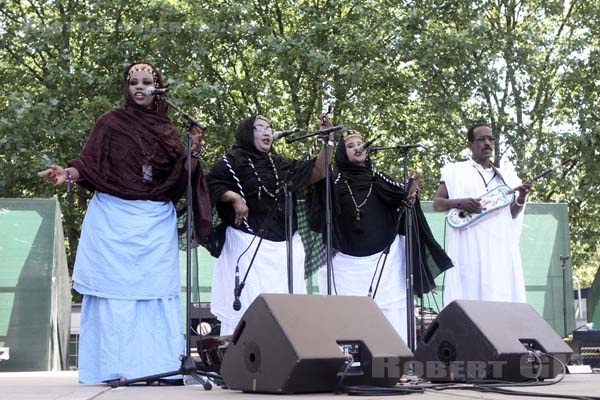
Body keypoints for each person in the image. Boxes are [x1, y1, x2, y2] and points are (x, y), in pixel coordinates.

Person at [38, 62, 212, 384]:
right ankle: (111, 368)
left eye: (148, 82)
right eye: (134, 82)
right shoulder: (110, 123)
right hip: (112, 221)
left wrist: (194, 153)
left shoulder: (170, 131)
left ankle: (159, 368)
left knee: (156, 296)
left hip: (155, 221)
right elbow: (88, 165)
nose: (141, 87)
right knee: (113, 297)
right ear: (127, 88)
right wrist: (67, 174)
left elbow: (179, 179)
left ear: (158, 87)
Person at [311, 130, 453, 342]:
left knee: (391, 310)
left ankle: (395, 362)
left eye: (360, 144)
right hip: (344, 265)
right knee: (347, 314)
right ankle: (351, 364)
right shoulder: (333, 183)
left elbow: (403, 200)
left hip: (385, 263)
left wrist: (411, 192)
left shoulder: (378, 179)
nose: (358, 148)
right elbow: (318, 216)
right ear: (342, 152)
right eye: (351, 145)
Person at [206, 114, 333, 335]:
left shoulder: (279, 164)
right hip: (248, 247)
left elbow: (318, 171)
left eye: (270, 128)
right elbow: (210, 185)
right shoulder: (230, 162)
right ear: (247, 132)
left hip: (284, 251)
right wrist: (234, 198)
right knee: (249, 314)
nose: (267, 132)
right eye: (260, 127)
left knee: (287, 317)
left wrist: (327, 140)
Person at [432, 123, 532, 306]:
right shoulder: (455, 171)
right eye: (481, 139)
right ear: (470, 144)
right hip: (469, 250)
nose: (487, 143)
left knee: (500, 301)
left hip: (498, 251)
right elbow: (437, 204)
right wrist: (461, 203)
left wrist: (522, 196)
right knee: (470, 300)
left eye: (490, 139)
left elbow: (512, 214)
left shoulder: (507, 176)